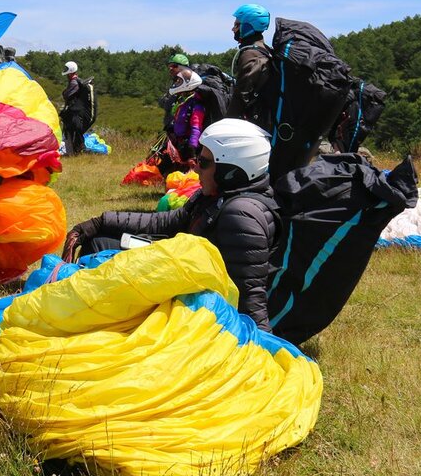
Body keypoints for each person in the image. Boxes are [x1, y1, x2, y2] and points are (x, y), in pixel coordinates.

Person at [63, 118, 277, 330]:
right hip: (182, 282)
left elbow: (250, 298)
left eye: (203, 162)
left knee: (100, 249)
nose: (196, 169)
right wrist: (102, 221)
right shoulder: (215, 196)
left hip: (195, 309)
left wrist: (263, 348)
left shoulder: (241, 215)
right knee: (101, 242)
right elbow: (167, 222)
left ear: (230, 171)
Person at [227, 4, 274, 131]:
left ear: (247, 26)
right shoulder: (266, 50)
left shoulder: (250, 54)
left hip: (257, 125)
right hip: (268, 121)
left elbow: (242, 94)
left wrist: (227, 124)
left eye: (237, 25)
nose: (233, 29)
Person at [164, 70, 207, 167]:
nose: (177, 83)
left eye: (180, 81)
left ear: (188, 84)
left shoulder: (197, 105)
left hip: (187, 148)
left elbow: (196, 128)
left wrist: (192, 154)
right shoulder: (184, 101)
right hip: (178, 144)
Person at [60, 61, 96, 156]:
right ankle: (76, 151)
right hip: (77, 113)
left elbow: (66, 94)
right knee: (74, 131)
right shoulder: (77, 81)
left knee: (74, 130)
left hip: (76, 114)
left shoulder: (74, 83)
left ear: (70, 71)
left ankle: (78, 151)